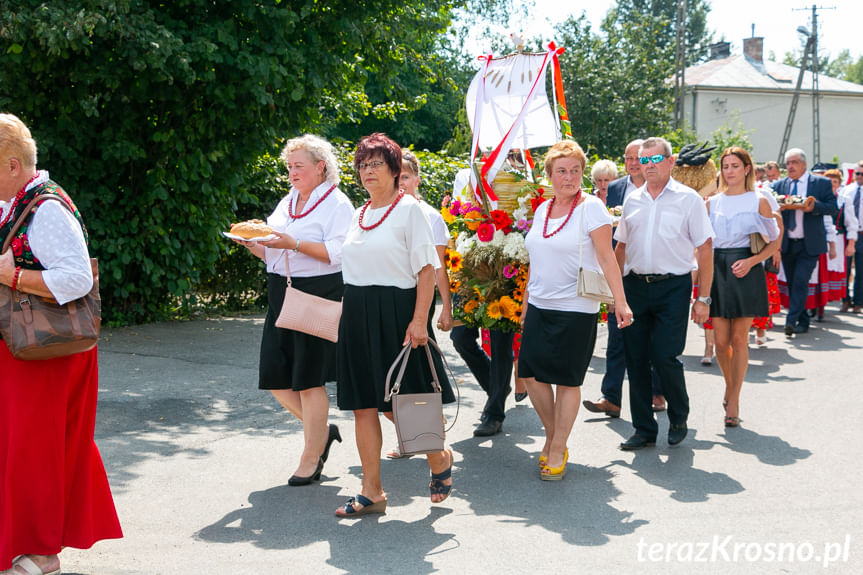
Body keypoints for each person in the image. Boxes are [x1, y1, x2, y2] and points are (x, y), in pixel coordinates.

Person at [0, 113, 122, 574]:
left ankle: (42, 550)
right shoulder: (16, 201)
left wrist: (10, 274)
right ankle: (25, 543)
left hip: (47, 351)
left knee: (38, 452)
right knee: (20, 450)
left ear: (14, 165)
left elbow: (76, 279)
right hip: (24, 349)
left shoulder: (46, 207)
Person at [336, 133, 455, 517]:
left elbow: (426, 270)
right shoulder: (358, 213)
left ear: (394, 169)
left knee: (403, 405)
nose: (368, 170)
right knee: (363, 406)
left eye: (376, 163)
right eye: (363, 164)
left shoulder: (410, 211)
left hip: (398, 312)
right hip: (356, 313)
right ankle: (372, 492)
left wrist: (420, 320)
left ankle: (438, 457)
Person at [234, 135, 353, 486]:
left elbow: (338, 253)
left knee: (308, 381)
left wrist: (293, 243)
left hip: (317, 292)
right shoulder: (289, 201)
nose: (292, 172)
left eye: (299, 166)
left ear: (321, 167)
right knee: (275, 377)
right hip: (282, 292)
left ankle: (310, 455)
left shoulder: (337, 203)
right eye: (289, 166)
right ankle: (323, 432)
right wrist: (252, 244)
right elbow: (275, 250)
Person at [519, 140, 633, 479]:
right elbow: (535, 260)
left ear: (583, 173)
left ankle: (557, 446)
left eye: (575, 171)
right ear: (549, 175)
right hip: (540, 303)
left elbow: (606, 256)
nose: (569, 177)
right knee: (531, 375)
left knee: (567, 381)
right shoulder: (542, 210)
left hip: (576, 306)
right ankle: (555, 434)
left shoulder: (592, 208)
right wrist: (526, 303)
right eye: (561, 171)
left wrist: (620, 301)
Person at [614, 137, 715, 450]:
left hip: (673, 286)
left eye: (656, 160)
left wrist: (704, 298)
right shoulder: (632, 199)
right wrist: (613, 292)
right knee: (636, 359)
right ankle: (643, 429)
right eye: (644, 161)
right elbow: (621, 247)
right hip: (634, 287)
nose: (649, 166)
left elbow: (706, 248)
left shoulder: (689, 200)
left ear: (671, 163)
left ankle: (678, 415)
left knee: (665, 356)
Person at [584, 140, 665, 420]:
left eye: (637, 159)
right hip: (620, 271)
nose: (632, 163)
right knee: (617, 337)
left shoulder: (660, 190)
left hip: (651, 273)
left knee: (652, 338)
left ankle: (657, 391)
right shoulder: (616, 189)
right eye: (628, 158)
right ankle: (611, 397)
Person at [385, 150, 453, 459]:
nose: (401, 183)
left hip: (417, 302)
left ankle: (428, 436)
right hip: (390, 301)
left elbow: (438, 267)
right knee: (392, 375)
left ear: (417, 179)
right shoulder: (383, 210)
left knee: (420, 375)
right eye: (396, 177)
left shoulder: (429, 215)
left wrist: (445, 308)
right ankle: (413, 435)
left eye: (407, 177)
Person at [707, 148, 781, 427]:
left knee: (740, 340)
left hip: (746, 268)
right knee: (720, 343)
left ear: (747, 168)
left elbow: (775, 241)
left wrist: (752, 262)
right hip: (717, 268)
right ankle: (730, 387)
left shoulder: (759, 200)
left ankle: (733, 400)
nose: (729, 171)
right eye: (725, 166)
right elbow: (702, 243)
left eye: (735, 166)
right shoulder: (712, 203)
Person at [772, 148, 837, 337]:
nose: (790, 167)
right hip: (787, 243)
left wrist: (814, 207)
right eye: (788, 163)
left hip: (809, 244)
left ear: (804, 164)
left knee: (801, 281)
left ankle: (790, 321)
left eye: (794, 163)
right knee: (792, 283)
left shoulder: (821, 183)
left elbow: (833, 208)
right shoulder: (780, 185)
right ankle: (804, 319)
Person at [839, 163, 863, 313]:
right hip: (847, 235)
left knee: (861, 270)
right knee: (845, 269)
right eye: (857, 173)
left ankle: (858, 302)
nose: (859, 176)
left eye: (862, 174)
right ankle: (845, 299)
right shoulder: (847, 190)